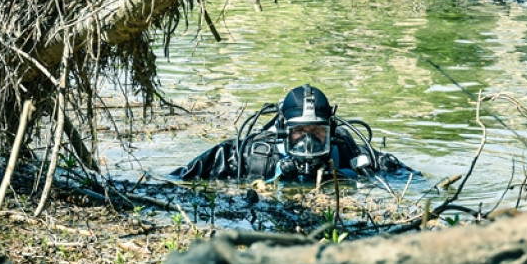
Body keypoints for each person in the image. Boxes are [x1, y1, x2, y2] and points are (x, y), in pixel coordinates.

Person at [169, 84, 408, 183]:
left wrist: (359, 175)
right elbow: (180, 178)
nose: (308, 142)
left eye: (317, 133)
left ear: (331, 132)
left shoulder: (346, 150)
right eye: (299, 133)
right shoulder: (253, 157)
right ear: (283, 131)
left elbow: (408, 178)